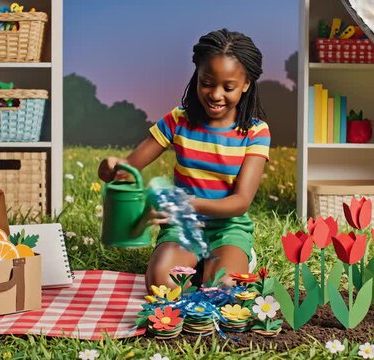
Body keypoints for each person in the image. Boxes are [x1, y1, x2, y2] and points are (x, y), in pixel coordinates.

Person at [98, 28, 271, 291]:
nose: (215, 94)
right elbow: (128, 169)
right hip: (182, 225)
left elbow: (240, 202)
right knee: (161, 284)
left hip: (228, 227)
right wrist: (111, 168)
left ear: (246, 84)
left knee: (224, 287)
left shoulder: (255, 132)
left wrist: (184, 203)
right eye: (207, 82)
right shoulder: (178, 120)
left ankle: (229, 257)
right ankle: (197, 262)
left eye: (228, 87)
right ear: (197, 77)